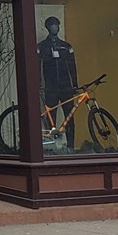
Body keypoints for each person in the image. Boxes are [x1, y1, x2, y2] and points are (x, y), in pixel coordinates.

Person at [38, 16, 79, 147]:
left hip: (66, 87)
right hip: (50, 88)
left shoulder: (66, 46)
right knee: (51, 119)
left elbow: (73, 67)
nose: (55, 27)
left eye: (56, 25)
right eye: (52, 25)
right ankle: (51, 146)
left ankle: (71, 145)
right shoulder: (42, 47)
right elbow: (37, 67)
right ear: (48, 28)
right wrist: (39, 84)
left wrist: (74, 85)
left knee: (69, 117)